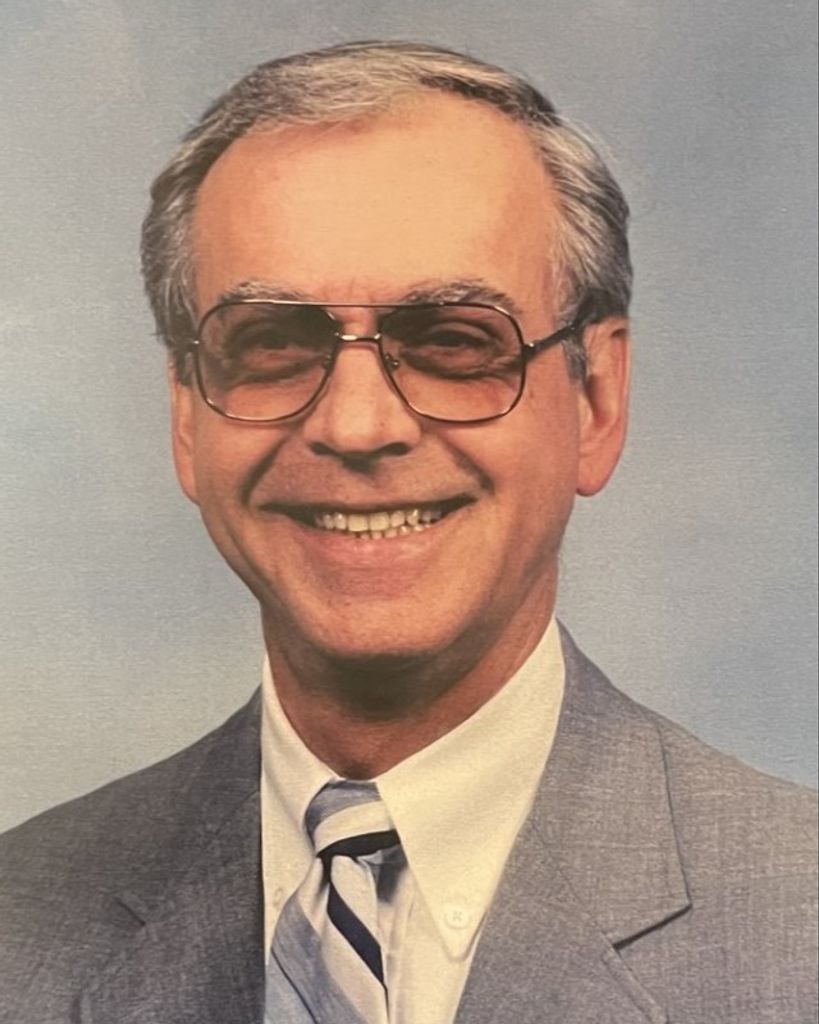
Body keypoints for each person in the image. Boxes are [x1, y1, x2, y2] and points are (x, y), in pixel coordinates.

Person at [0, 40, 815, 1024]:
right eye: (272, 342)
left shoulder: (797, 923)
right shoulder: (19, 925)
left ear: (596, 401)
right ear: (186, 414)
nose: (356, 425)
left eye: (453, 341)